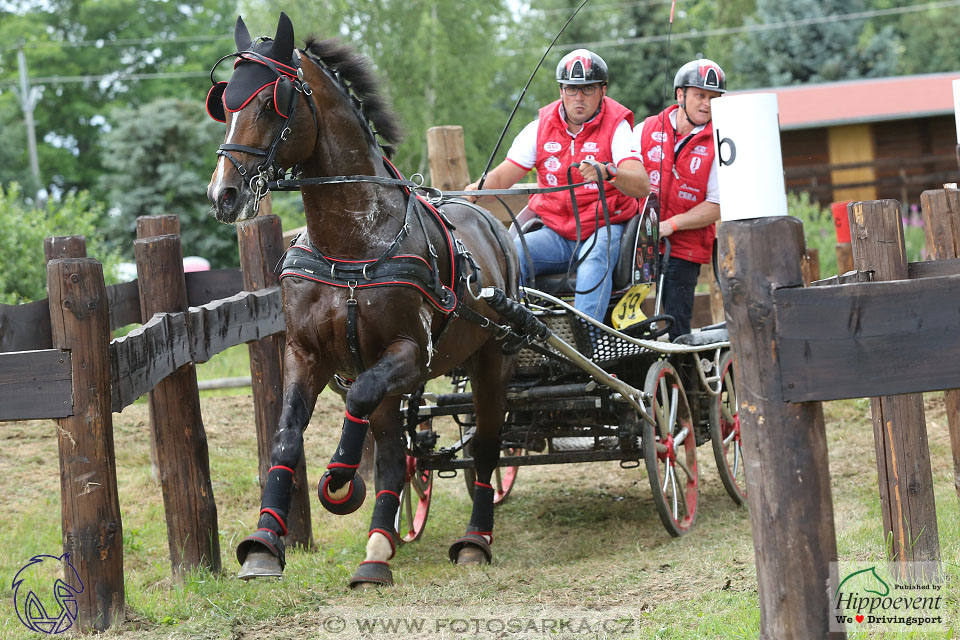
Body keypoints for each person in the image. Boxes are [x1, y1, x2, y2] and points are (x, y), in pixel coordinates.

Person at [464, 49, 649, 323]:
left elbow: (642, 185)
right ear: (561, 90)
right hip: (555, 232)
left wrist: (608, 172)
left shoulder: (618, 127)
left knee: (593, 266)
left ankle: (587, 346)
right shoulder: (538, 128)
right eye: (572, 89)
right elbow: (502, 178)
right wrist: (471, 194)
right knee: (510, 257)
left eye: (587, 89)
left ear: (602, 90)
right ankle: (510, 334)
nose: (579, 98)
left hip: (602, 228)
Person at [636, 58, 725, 339]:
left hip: (684, 248)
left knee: (677, 327)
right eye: (700, 95)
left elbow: (716, 206)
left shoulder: (721, 140)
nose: (707, 104)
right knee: (625, 320)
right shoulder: (647, 129)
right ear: (680, 95)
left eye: (714, 97)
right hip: (639, 242)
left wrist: (671, 225)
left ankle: (685, 379)